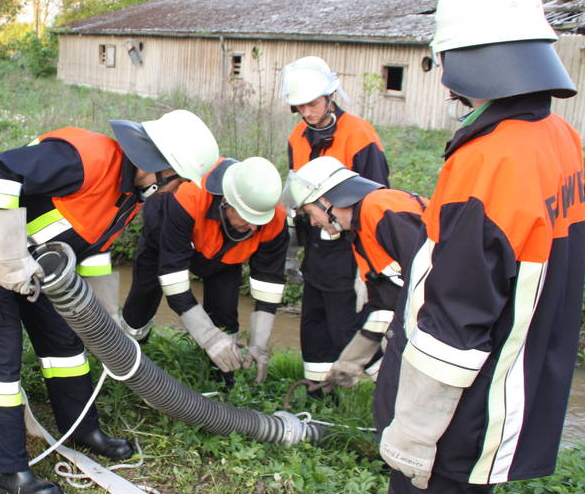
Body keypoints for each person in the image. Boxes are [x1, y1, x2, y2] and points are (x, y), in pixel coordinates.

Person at [373, 0, 585, 494]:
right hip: (516, 378)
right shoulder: (557, 139)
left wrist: (414, 428)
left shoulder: (489, 159)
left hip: (466, 398)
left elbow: (454, 320)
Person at [0, 110, 220, 494]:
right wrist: (9, 258)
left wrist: (104, 314)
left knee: (66, 347)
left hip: (39, 260)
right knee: (1, 359)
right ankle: (8, 468)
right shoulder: (86, 157)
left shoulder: (131, 194)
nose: (174, 191)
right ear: (156, 165)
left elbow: (93, 248)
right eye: (176, 181)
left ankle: (80, 429)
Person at [119, 157, 288, 387]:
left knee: (225, 314)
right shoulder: (189, 196)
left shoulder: (272, 217)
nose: (255, 227)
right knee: (142, 301)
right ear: (228, 201)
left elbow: (269, 283)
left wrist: (259, 343)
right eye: (249, 218)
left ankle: (222, 380)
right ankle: (126, 360)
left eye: (260, 220)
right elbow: (174, 282)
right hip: (164, 236)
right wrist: (207, 337)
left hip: (224, 255)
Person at [282, 56, 390, 385]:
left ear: (330, 96)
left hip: (350, 252)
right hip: (315, 250)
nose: (306, 113)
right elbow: (297, 189)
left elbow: (377, 201)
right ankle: (318, 394)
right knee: (314, 328)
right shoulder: (297, 137)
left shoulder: (359, 136)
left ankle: (371, 393)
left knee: (348, 326)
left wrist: (368, 266)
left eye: (311, 104)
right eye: (298, 107)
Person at [282, 157, 427, 387]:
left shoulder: (379, 209)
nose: (312, 222)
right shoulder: (360, 231)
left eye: (310, 212)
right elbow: (384, 305)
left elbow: (429, 279)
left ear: (327, 201)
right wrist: (351, 360)